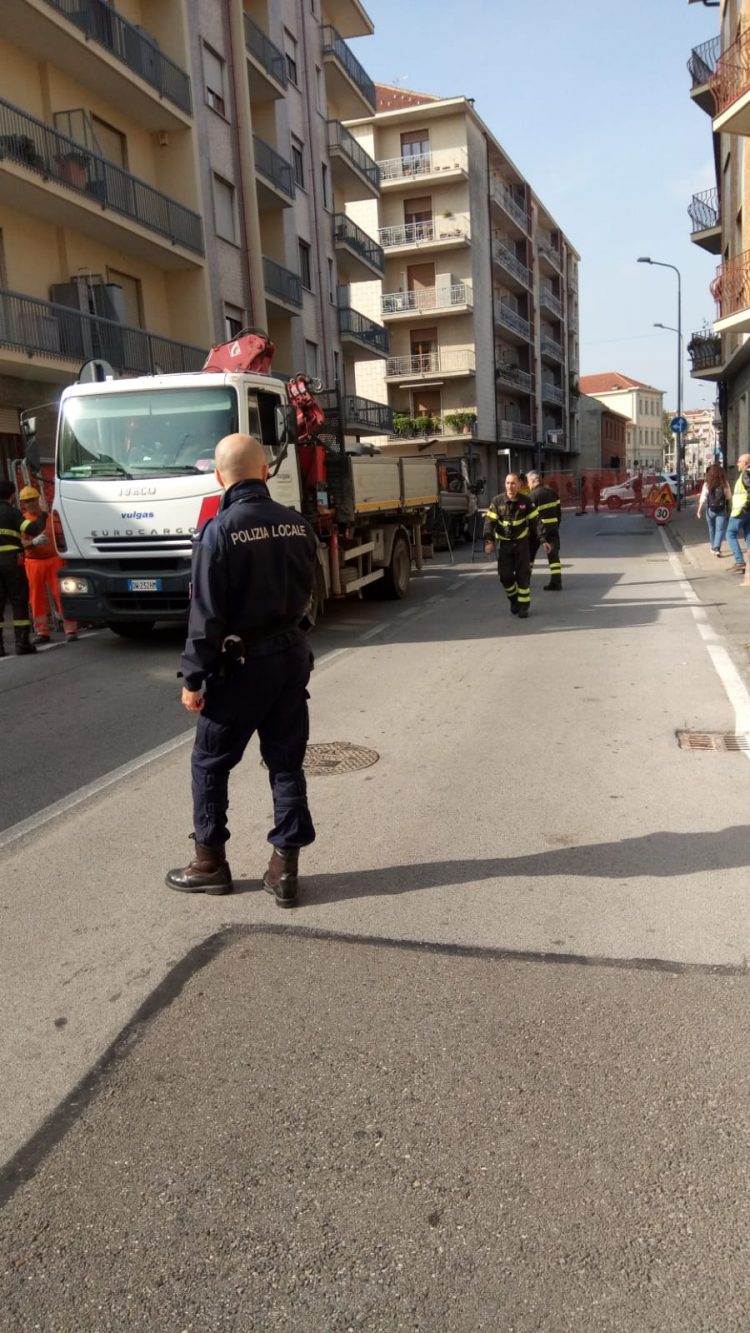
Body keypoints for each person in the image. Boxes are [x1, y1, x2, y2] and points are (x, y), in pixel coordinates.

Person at [166, 433, 318, 907]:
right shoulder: (297, 524)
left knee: (210, 763)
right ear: (265, 472)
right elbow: (311, 593)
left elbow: (205, 618)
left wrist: (194, 678)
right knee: (286, 763)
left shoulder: (218, 531)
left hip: (240, 668)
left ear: (219, 476)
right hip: (291, 658)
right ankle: (284, 869)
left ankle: (209, 863)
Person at [483, 472, 549, 619]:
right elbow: (489, 523)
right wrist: (488, 541)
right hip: (505, 545)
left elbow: (536, 521)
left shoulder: (526, 501)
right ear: (504, 484)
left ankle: (523, 606)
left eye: (513, 483)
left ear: (519, 484)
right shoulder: (497, 501)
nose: (510, 486)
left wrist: (543, 539)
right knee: (505, 576)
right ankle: (513, 599)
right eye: (507, 483)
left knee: (523, 576)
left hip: (521, 544)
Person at [18, 486, 78, 643]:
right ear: (22, 504)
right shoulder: (23, 521)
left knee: (62, 594)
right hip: (33, 562)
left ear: (39, 500)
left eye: (32, 500)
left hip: (54, 559)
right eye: (26, 501)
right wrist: (32, 543)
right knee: (36, 597)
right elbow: (19, 543)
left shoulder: (50, 518)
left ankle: (70, 628)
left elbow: (61, 537)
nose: (30, 504)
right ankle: (42, 631)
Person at [0, 479, 48, 656]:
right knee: (19, 601)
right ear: (12, 496)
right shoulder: (12, 513)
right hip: (12, 562)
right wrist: (43, 513)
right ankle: (22, 643)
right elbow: (34, 528)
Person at [527, 470, 563, 590]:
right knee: (553, 556)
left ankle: (525, 581)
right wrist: (556, 525)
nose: (528, 485)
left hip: (537, 529)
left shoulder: (532, 495)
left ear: (532, 481)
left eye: (528, 482)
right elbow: (558, 511)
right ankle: (556, 582)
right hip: (552, 527)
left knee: (529, 555)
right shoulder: (552, 492)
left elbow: (530, 516)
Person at [695, 463, 732, 557]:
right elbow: (729, 497)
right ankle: (717, 548)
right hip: (721, 509)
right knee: (720, 529)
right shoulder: (725, 483)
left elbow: (703, 498)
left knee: (712, 529)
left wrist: (699, 510)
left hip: (710, 509)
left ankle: (713, 547)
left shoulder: (707, 484)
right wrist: (730, 509)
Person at [725, 453, 750, 573]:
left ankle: (740, 561)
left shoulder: (746, 474)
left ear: (746, 463)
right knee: (748, 534)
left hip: (741, 510)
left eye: (739, 461)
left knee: (730, 534)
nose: (737, 463)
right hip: (747, 511)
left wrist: (747, 505)